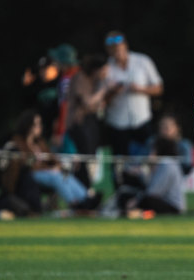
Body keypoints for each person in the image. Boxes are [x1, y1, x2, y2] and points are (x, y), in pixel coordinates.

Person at [103, 31, 164, 187]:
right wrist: (112, 92)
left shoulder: (142, 61)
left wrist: (141, 89)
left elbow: (158, 88)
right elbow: (102, 101)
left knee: (147, 159)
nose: (117, 52)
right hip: (117, 123)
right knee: (119, 163)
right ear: (108, 50)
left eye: (119, 47)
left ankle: (148, 191)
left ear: (125, 46)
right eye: (113, 49)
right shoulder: (106, 68)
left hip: (141, 120)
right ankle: (121, 195)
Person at [11, 109, 101, 211]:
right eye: (37, 124)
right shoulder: (20, 142)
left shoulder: (40, 143)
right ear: (29, 126)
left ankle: (86, 199)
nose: (40, 127)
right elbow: (27, 163)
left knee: (65, 175)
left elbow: (51, 157)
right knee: (56, 177)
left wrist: (58, 166)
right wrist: (49, 168)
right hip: (31, 174)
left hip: (47, 172)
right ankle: (74, 203)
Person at [66, 54, 110, 188]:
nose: (105, 74)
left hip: (91, 122)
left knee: (91, 156)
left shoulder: (96, 81)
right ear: (96, 69)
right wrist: (103, 91)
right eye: (103, 70)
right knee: (84, 158)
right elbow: (87, 103)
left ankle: (87, 189)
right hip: (79, 124)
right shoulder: (81, 78)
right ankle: (83, 190)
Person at [48, 43, 80, 153]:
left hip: (69, 129)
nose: (54, 64)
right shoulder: (79, 74)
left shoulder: (66, 80)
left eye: (56, 61)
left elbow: (65, 106)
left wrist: (59, 132)